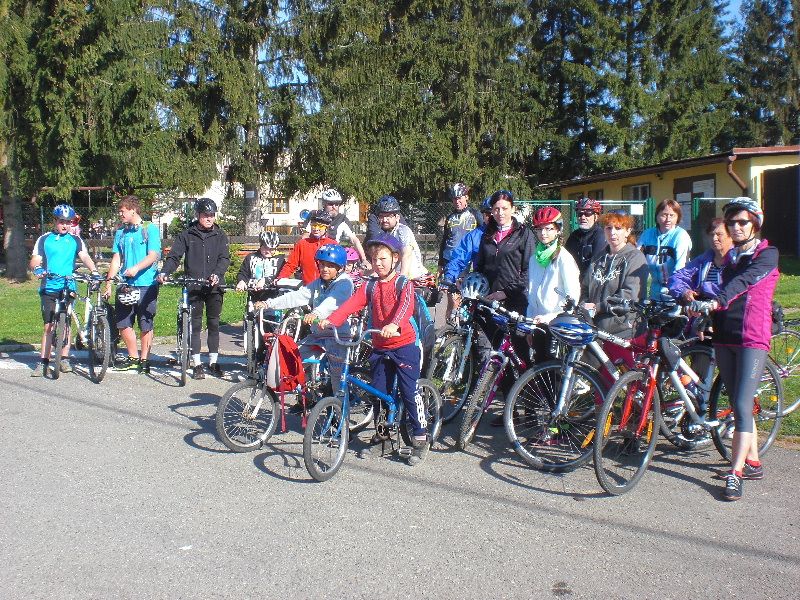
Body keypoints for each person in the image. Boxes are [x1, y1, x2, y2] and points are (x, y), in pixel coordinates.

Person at [688, 198, 778, 501]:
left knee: (740, 404)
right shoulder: (730, 257)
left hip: (752, 337)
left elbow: (744, 282)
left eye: (742, 222)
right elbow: (713, 290)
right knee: (739, 402)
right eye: (732, 223)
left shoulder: (767, 255)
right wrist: (702, 310)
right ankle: (753, 462)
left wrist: (717, 299)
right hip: (724, 335)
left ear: (755, 224)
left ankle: (735, 473)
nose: (736, 227)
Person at [319, 233, 430, 466]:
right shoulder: (369, 285)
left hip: (404, 345)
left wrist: (394, 324)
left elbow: (405, 307)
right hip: (380, 346)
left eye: (383, 258)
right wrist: (332, 320)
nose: (378, 263)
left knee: (409, 391)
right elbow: (351, 304)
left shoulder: (403, 284)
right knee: (379, 393)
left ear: (395, 258)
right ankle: (384, 437)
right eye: (374, 259)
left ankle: (420, 437)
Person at [473, 190, 536, 424]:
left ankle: (531, 410)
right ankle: (511, 410)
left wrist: (507, 291)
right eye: (496, 209)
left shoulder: (524, 234)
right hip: (492, 302)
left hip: (516, 301)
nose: (500, 213)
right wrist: (471, 284)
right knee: (501, 356)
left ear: (513, 210)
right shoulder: (487, 234)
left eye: (504, 209)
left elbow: (529, 271)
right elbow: (480, 267)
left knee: (521, 355)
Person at [261, 244, 353, 402]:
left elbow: (332, 302)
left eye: (330, 266)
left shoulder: (344, 283)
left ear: (340, 268)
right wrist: (268, 303)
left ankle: (342, 412)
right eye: (322, 265)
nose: (324, 269)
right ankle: (307, 399)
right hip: (318, 335)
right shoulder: (319, 283)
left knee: (338, 380)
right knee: (294, 359)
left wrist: (316, 313)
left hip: (338, 336)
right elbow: (297, 296)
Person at [158, 198, 230, 380]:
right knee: (195, 325)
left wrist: (217, 274)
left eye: (212, 215)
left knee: (214, 324)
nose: (209, 218)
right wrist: (165, 272)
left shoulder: (220, 235)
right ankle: (197, 363)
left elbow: (224, 258)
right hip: (194, 285)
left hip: (214, 286)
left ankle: (213, 362)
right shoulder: (187, 235)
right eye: (206, 215)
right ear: (198, 215)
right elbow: (174, 257)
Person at [29, 204, 101, 376]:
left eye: (68, 222)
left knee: (66, 322)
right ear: (55, 221)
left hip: (68, 286)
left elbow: (85, 256)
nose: (65, 225)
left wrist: (94, 270)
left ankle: (64, 358)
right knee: (48, 326)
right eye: (61, 221)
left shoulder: (75, 240)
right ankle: (44, 361)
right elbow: (35, 260)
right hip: (49, 286)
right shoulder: (44, 239)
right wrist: (37, 269)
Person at [580, 210, 648, 374]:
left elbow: (629, 296)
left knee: (603, 377)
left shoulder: (635, 258)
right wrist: (583, 305)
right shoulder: (599, 257)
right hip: (595, 326)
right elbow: (585, 287)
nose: (613, 233)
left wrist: (597, 307)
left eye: (618, 228)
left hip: (623, 328)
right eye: (608, 228)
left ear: (628, 231)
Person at [104, 195, 162, 374]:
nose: (120, 214)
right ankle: (133, 357)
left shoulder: (149, 229)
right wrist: (109, 282)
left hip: (146, 284)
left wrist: (136, 268)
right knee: (122, 323)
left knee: (145, 323)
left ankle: (144, 360)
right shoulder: (121, 233)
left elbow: (153, 255)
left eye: (123, 211)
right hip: (125, 284)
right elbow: (116, 259)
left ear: (133, 210)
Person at [525, 207, 581, 362]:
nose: (543, 233)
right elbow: (532, 294)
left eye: (548, 229)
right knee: (538, 367)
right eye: (539, 229)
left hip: (556, 324)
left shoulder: (564, 258)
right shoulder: (534, 259)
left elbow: (572, 297)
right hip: (538, 323)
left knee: (554, 370)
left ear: (558, 230)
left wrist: (550, 317)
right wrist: (530, 325)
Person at [438, 182, 482, 318]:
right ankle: (449, 323)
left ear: (466, 197)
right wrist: (440, 263)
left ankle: (457, 322)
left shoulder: (475, 214)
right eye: (454, 199)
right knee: (450, 295)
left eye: (459, 198)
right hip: (449, 259)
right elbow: (444, 240)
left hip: (465, 260)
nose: (457, 201)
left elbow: (483, 234)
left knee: (458, 294)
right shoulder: (450, 218)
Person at [668, 218, 733, 305]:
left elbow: (733, 288)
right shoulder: (703, 259)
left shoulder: (737, 260)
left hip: (730, 310)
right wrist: (684, 291)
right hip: (703, 310)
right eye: (711, 234)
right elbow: (676, 277)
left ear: (731, 236)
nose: (714, 238)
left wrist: (704, 288)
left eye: (719, 234)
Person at [638, 198, 692, 299]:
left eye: (672, 215)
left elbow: (680, 268)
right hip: (653, 291)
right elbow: (636, 258)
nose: (668, 219)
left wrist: (674, 290)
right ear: (657, 216)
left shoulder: (681, 236)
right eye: (664, 215)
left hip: (674, 291)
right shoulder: (647, 234)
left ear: (678, 217)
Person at [372, 195, 428, 279]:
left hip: (414, 278)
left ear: (397, 217)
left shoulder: (402, 231)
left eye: (389, 216)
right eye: (381, 216)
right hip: (395, 277)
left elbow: (406, 254)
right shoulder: (385, 234)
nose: (384, 220)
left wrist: (402, 278)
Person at [441, 197, 493, 286]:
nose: (491, 217)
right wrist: (449, 276)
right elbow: (459, 257)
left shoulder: (515, 234)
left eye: (494, 212)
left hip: (508, 286)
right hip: (481, 283)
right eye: (487, 214)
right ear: (483, 215)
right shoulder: (474, 236)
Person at [277, 209, 336, 284]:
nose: (316, 229)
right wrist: (281, 278)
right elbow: (291, 264)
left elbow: (339, 268)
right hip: (307, 287)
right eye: (314, 225)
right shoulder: (302, 244)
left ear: (326, 227)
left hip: (327, 287)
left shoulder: (333, 244)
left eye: (320, 226)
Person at [320, 188, 370, 268]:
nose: (334, 207)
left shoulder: (342, 219)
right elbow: (305, 236)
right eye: (331, 204)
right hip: (317, 254)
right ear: (324, 204)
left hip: (333, 258)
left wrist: (364, 259)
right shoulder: (315, 216)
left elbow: (354, 240)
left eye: (337, 204)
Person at [235, 230, 285, 302]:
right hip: (254, 295)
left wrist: (265, 280)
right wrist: (241, 281)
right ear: (260, 245)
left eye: (271, 249)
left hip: (274, 296)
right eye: (265, 247)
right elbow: (242, 273)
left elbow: (281, 276)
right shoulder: (251, 257)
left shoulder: (280, 260)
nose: (268, 251)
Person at [564, 197, 606, 277]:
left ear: (596, 216)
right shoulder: (574, 235)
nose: (582, 217)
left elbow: (596, 267)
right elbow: (565, 260)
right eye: (580, 214)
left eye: (587, 214)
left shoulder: (600, 235)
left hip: (590, 281)